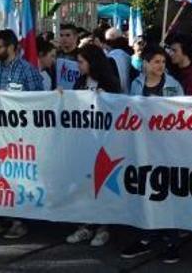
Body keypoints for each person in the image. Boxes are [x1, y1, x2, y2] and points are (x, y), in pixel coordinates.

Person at [0, 29, 45, 240]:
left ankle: (19, 221)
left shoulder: (28, 71)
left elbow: (40, 103)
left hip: (20, 136)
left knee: (17, 177)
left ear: (12, 47)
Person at [120, 45, 184, 263]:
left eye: (163, 62)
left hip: (166, 149)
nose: (161, 66)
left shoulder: (174, 85)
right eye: (156, 62)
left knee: (166, 192)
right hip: (142, 147)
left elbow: (180, 114)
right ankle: (147, 235)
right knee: (146, 192)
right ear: (145, 63)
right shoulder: (136, 84)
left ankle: (172, 240)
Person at [66, 44, 121, 247]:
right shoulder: (80, 82)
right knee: (85, 184)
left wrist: (106, 98)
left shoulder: (111, 83)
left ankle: (103, 227)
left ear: (92, 62)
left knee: (103, 184)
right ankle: (86, 224)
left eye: (81, 62)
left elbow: (119, 110)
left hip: (105, 142)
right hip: (84, 140)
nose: (78, 66)